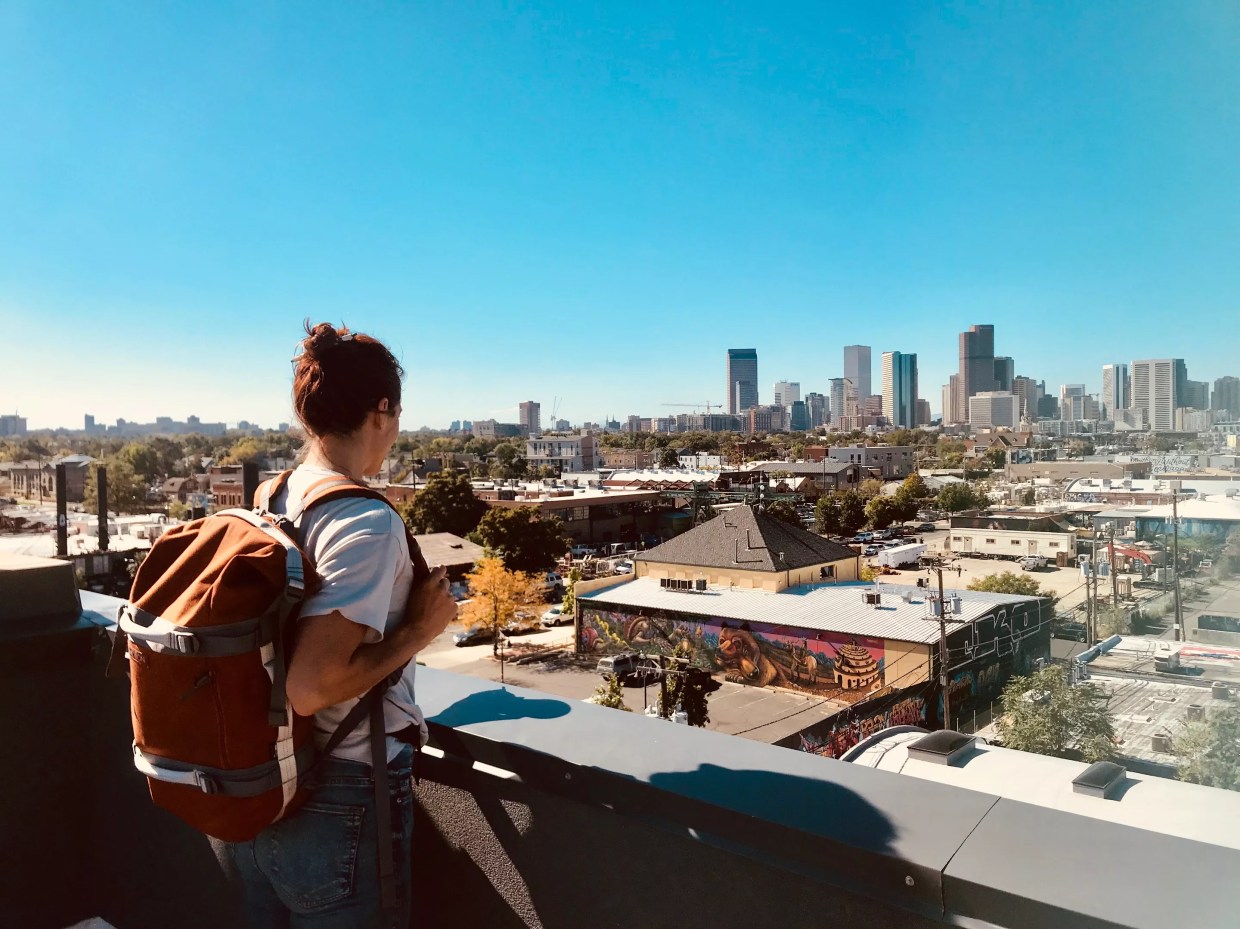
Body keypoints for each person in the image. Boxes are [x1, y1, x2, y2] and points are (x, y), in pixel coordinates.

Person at [211, 322, 458, 928]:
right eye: (396, 413)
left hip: (257, 778)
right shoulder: (363, 522)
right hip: (336, 789)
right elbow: (310, 686)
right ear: (382, 411)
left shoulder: (274, 496)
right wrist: (417, 632)